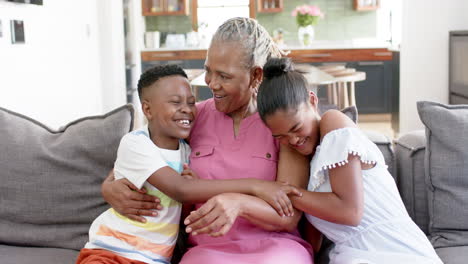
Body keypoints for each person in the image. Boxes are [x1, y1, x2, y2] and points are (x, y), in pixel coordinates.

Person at [101, 18, 314, 264]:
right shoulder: (191, 117)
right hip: (208, 251)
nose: (211, 83)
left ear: (256, 75)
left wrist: (239, 202)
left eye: (223, 76)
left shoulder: (280, 124)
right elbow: (139, 151)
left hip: (277, 247)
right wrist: (108, 186)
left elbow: (288, 216)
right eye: (208, 70)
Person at [256, 57, 443, 264]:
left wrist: (280, 192)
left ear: (312, 101)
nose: (292, 140)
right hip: (351, 255)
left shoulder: (333, 123)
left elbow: (350, 212)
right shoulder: (309, 168)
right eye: (280, 136)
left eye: (296, 127)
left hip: (393, 249)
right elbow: (314, 242)